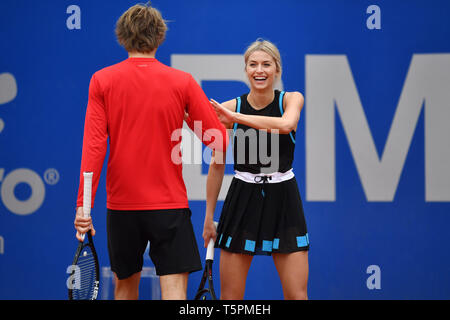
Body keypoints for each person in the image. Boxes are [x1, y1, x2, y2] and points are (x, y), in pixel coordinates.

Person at [73, 3, 227, 300]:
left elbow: (93, 147)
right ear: (160, 37)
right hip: (169, 205)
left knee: (124, 288)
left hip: (122, 207)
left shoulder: (102, 80)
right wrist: (186, 117)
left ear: (122, 37)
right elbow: (218, 143)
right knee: (173, 291)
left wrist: (84, 206)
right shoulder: (182, 82)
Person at [202, 39, 309, 300]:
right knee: (231, 299)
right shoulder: (228, 109)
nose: (259, 70)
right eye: (253, 64)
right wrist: (208, 216)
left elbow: (287, 125)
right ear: (246, 70)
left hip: (284, 199)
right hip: (242, 199)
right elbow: (217, 164)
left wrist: (234, 119)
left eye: (266, 64)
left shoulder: (291, 100)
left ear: (277, 70)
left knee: (297, 295)